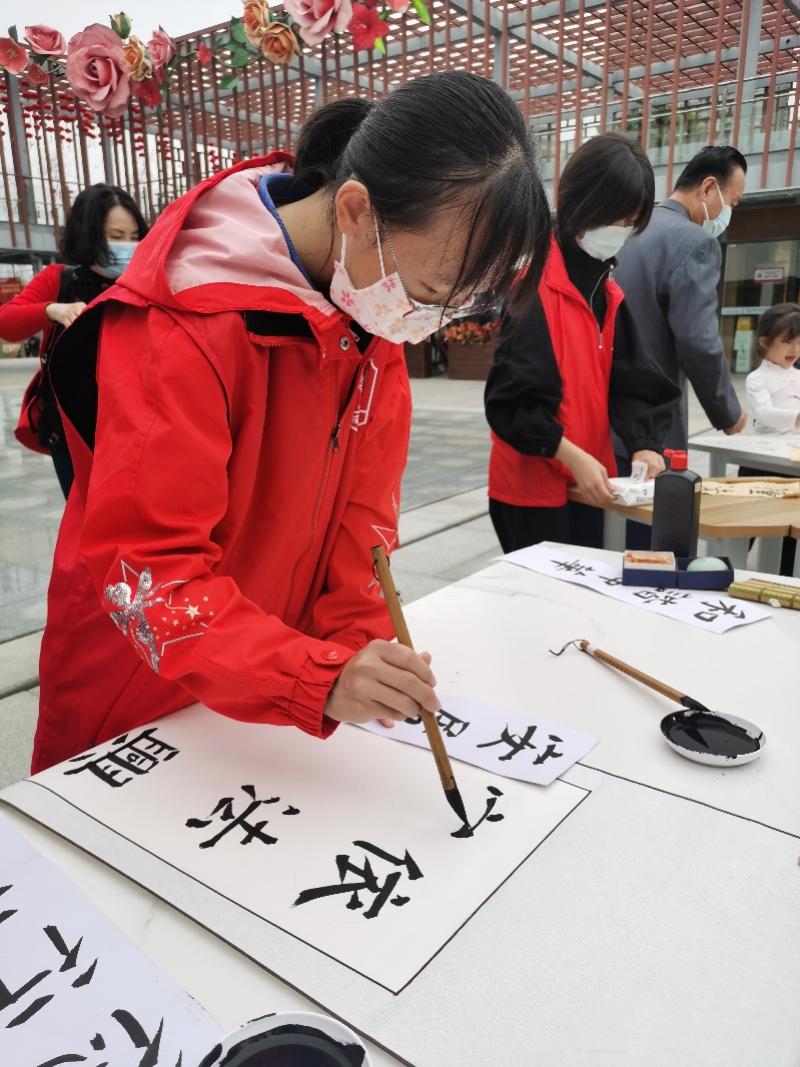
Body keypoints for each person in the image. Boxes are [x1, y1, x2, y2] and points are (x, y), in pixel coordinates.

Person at [32, 72, 552, 773]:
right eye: (430, 292)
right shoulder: (182, 322)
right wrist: (319, 679)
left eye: (452, 309)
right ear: (356, 209)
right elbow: (152, 574)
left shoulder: (374, 318)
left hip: (269, 702)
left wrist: (363, 655)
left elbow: (361, 541)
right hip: (138, 698)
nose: (426, 322)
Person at [485, 133, 679, 553]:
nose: (620, 231)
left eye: (632, 223)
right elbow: (511, 402)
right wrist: (570, 455)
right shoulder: (535, 287)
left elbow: (635, 380)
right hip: (533, 492)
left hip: (590, 483)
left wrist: (645, 444)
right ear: (579, 201)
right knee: (548, 610)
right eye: (616, 217)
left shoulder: (608, 295)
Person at [0, 185, 148, 498]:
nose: (128, 246)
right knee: (84, 521)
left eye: (134, 236)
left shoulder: (144, 284)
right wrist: (51, 310)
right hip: (71, 431)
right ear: (88, 233)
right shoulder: (60, 280)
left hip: (133, 430)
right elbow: (8, 323)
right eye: (116, 235)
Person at [615, 145, 749, 451]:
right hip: (654, 422)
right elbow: (697, 339)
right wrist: (726, 410)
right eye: (732, 202)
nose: (728, 212)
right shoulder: (696, 242)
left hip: (609, 416)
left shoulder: (631, 228)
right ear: (708, 188)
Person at [739, 303, 800, 574]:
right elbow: (764, 413)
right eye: (787, 342)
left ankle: (785, 580)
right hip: (760, 462)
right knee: (746, 525)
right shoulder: (757, 378)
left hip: (791, 462)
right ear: (765, 342)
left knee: (789, 529)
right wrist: (796, 418)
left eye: (799, 343)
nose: (794, 350)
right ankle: (732, 569)